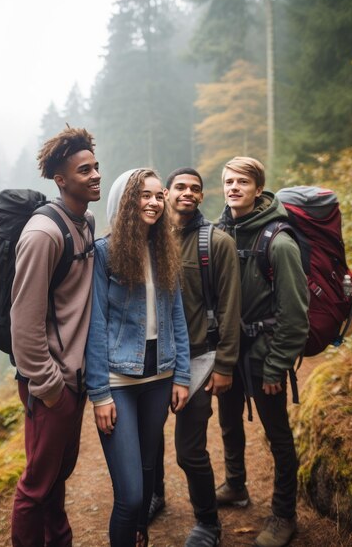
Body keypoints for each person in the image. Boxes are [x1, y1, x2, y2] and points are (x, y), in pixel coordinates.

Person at [85, 168, 190, 547]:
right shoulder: (104, 252)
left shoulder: (164, 249)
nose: (153, 202)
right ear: (127, 202)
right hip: (119, 383)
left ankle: (139, 535)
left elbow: (176, 314)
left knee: (147, 477)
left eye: (158, 196)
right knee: (129, 496)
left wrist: (182, 375)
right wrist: (99, 394)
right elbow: (95, 324)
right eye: (144, 196)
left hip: (159, 380)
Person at [10, 127, 101, 547]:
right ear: (60, 179)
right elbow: (24, 325)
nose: (96, 175)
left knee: (57, 477)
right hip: (52, 385)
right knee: (35, 487)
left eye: (96, 166)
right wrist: (49, 389)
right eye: (84, 170)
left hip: (74, 380)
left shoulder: (84, 222)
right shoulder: (43, 234)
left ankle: (59, 540)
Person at [216, 156, 309, 547]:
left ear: (258, 188)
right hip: (229, 353)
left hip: (263, 354)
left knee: (278, 436)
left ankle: (284, 515)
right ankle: (236, 485)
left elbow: (296, 314)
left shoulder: (279, 240)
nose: (233, 188)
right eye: (228, 181)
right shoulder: (221, 230)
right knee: (228, 422)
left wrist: (275, 366)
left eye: (242, 182)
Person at [151, 167, 242, 547]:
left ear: (201, 197)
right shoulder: (147, 240)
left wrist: (224, 365)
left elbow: (230, 307)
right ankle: (154, 495)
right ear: (167, 193)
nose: (188, 193)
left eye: (196, 189)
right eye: (180, 187)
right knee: (148, 440)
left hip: (201, 361)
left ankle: (208, 523)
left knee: (190, 451)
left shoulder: (216, 242)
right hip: (153, 361)